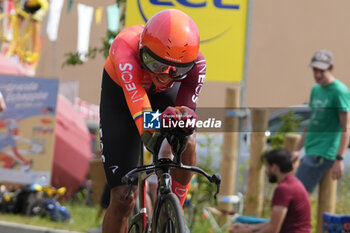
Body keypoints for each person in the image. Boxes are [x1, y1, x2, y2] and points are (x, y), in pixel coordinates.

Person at [99, 9, 206, 233]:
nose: (165, 76)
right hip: (122, 101)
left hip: (160, 101)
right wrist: (158, 139)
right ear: (142, 50)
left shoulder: (196, 65)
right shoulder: (125, 47)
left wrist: (179, 130)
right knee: (123, 198)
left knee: (188, 137)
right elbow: (141, 113)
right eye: (156, 64)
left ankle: (175, 214)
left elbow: (184, 115)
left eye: (176, 71)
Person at [295, 50, 350, 193]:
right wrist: (296, 149)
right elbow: (312, 121)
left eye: (322, 70)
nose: (317, 74)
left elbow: (346, 127)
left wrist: (339, 158)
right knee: (297, 194)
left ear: (331, 68)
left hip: (324, 153)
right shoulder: (316, 89)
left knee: (297, 193)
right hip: (311, 149)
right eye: (315, 70)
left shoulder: (339, 91)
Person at [230, 149, 312, 233]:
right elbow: (273, 223)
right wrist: (249, 228)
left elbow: (273, 229)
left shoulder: (284, 189)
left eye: (267, 167)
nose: (266, 171)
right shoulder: (293, 182)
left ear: (275, 168)